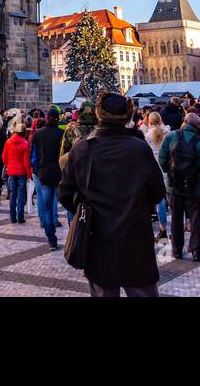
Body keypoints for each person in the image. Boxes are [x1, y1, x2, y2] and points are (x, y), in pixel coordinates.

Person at [59, 92, 166, 297]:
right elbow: (157, 191)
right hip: (135, 239)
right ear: (127, 117)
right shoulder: (139, 149)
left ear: (99, 113)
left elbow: (64, 193)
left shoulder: (82, 150)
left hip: (98, 240)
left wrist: (84, 207)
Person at [159, 113, 200, 262]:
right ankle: (196, 251)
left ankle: (177, 250)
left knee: (176, 218)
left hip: (174, 185)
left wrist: (168, 171)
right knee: (195, 219)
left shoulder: (171, 137)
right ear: (198, 126)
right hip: (194, 186)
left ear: (184, 122)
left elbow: (162, 158)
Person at [31, 106, 65, 248]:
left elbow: (34, 156)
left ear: (46, 118)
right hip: (59, 173)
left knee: (47, 208)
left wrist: (37, 170)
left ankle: (51, 239)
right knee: (67, 205)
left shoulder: (38, 134)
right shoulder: (62, 134)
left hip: (44, 174)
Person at [143, 112, 170, 242]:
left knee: (159, 202)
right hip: (167, 168)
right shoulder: (167, 134)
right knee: (172, 199)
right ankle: (176, 228)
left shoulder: (147, 136)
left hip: (154, 169)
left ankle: (162, 229)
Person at [2, 122, 33, 223]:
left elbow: (4, 158)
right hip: (21, 172)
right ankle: (20, 217)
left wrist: (8, 165)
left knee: (12, 194)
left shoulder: (8, 142)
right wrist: (29, 174)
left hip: (11, 171)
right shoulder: (25, 144)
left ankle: (12, 217)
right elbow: (26, 162)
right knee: (21, 195)